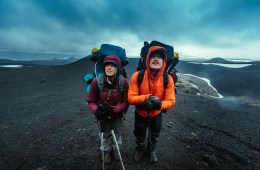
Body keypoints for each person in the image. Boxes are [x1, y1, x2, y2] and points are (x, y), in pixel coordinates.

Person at [128, 46, 176, 163]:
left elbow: (171, 101)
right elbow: (130, 98)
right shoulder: (137, 76)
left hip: (157, 114)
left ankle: (150, 150)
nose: (156, 59)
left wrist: (159, 104)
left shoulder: (167, 79)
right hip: (140, 114)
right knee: (139, 134)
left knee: (155, 135)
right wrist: (148, 98)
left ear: (164, 61)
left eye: (159, 57)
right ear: (148, 59)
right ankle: (140, 149)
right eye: (153, 56)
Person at [87, 54, 129, 164]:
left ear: (118, 68)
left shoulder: (123, 82)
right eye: (107, 65)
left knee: (117, 133)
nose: (109, 67)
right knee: (104, 135)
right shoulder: (96, 81)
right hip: (102, 116)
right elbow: (91, 101)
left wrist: (114, 110)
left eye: (113, 65)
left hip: (117, 115)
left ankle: (116, 149)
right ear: (103, 67)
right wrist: (97, 111)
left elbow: (125, 102)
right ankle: (106, 152)